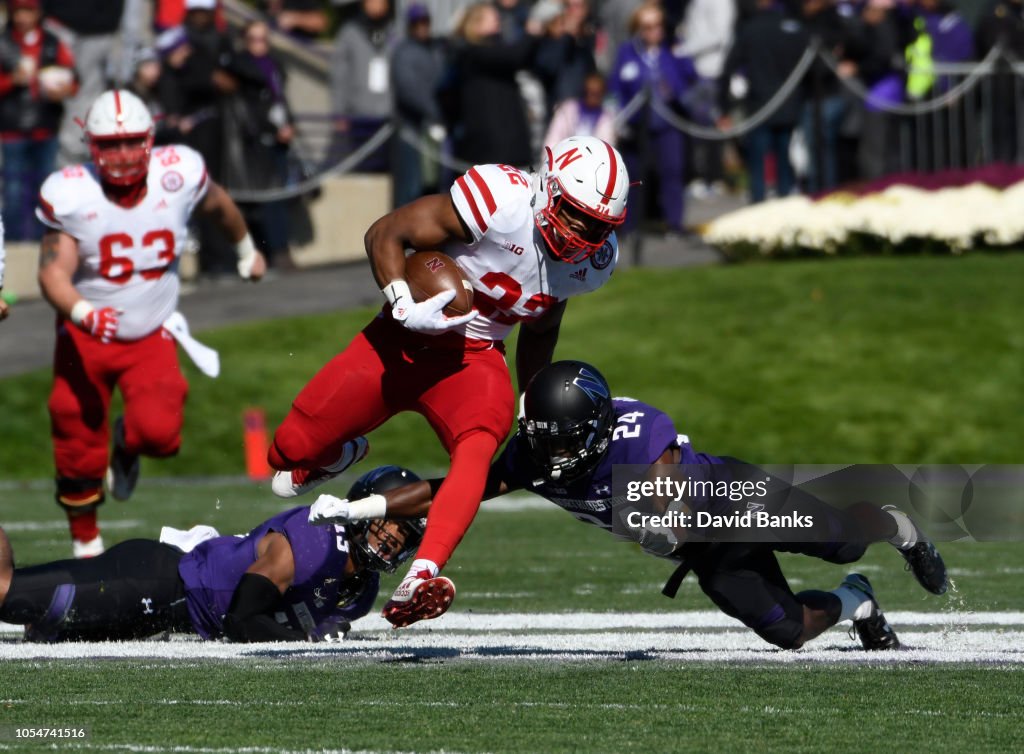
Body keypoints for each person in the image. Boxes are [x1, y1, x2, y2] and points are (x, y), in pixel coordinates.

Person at [311, 361, 949, 650]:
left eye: (558, 439)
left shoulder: (637, 430)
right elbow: (455, 485)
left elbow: (664, 483)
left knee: (841, 538)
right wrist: (362, 510)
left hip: (733, 502)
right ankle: (857, 599)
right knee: (788, 632)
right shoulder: (535, 455)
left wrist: (657, 525)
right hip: (701, 548)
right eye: (540, 437)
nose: (544, 451)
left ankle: (896, 526)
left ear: (591, 430)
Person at [268, 135, 629, 629]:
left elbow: (542, 321)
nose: (582, 233)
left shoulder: (591, 262)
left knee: (480, 444)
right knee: (284, 454)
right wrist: (402, 304)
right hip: (401, 337)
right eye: (574, 213)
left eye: (597, 224)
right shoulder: (500, 199)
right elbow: (385, 234)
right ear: (548, 187)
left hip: (474, 358)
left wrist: (531, 397)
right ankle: (337, 454)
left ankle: (422, 573)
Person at [36, 89, 266, 559]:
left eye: (131, 143)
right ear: (91, 145)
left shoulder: (178, 173)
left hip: (152, 330)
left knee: (160, 435)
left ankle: (125, 443)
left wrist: (247, 249)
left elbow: (219, 204)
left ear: (151, 139)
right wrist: (83, 311)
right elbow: (51, 271)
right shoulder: (72, 192)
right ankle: (86, 543)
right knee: (74, 429)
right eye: (109, 144)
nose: (121, 156)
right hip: (86, 334)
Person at [0, 466, 426, 642]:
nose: (391, 537)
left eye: (403, 533)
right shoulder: (318, 543)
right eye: (386, 522)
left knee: (43, 629)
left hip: (170, 614)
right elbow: (243, 618)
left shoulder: (361, 589)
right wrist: (309, 639)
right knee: (8, 593)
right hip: (157, 580)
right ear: (360, 509)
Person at [0, 0, 77, 241]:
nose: (23, 17)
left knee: (45, 187)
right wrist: (12, 80)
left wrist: (63, 89)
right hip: (12, 129)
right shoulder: (3, 43)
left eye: (29, 11)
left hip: (46, 127)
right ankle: (11, 242)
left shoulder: (53, 42)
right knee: (12, 188)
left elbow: (74, 80)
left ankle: (41, 238)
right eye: (19, 11)